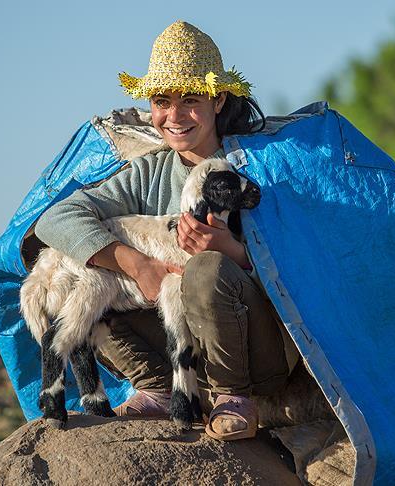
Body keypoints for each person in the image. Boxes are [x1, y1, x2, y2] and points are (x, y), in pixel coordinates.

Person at [34, 20, 298, 441]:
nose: (174, 116)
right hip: (172, 346)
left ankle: (233, 398)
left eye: (190, 99)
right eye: (162, 101)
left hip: (252, 351)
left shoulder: (258, 168)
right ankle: (157, 387)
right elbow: (54, 220)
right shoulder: (148, 173)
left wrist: (233, 252)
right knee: (80, 269)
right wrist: (136, 264)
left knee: (206, 269)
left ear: (218, 100)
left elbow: (306, 271)